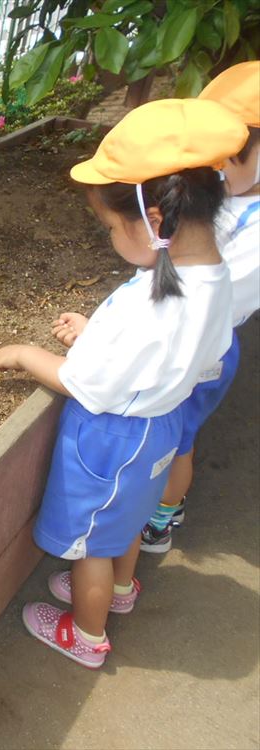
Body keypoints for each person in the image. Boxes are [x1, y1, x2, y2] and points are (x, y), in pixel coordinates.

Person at [0, 98, 247, 668]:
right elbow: (171, 353)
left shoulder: (152, 308)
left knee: (89, 548)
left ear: (154, 223)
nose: (109, 236)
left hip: (112, 442)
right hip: (162, 427)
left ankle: (86, 634)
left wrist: (28, 354)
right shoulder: (215, 275)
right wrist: (99, 334)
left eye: (109, 225)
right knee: (126, 521)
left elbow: (86, 385)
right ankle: (123, 591)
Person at [140, 61, 260, 552]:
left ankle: (165, 514)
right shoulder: (222, 192)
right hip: (178, 331)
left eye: (228, 155)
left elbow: (219, 295)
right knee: (165, 428)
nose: (212, 165)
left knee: (177, 436)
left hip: (204, 347)